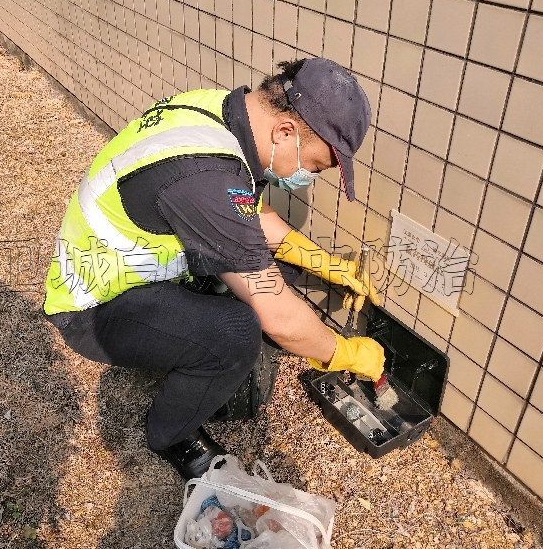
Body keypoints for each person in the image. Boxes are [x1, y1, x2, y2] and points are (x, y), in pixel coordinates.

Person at [42, 57, 385, 480]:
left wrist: (324, 263)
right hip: (94, 306)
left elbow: (250, 215)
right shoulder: (206, 175)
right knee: (236, 334)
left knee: (273, 271)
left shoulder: (221, 112)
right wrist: (344, 353)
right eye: (314, 167)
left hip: (130, 264)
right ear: (286, 132)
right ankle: (171, 436)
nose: (308, 176)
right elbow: (276, 314)